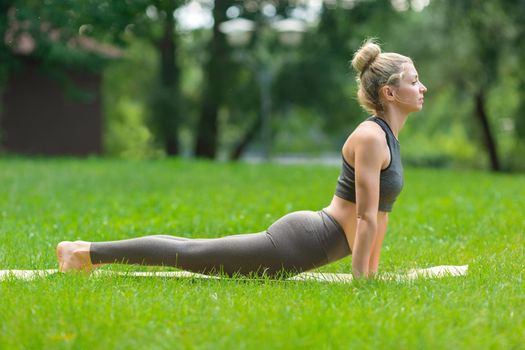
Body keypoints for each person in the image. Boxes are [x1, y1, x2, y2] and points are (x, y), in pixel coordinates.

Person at [56, 39, 427, 279]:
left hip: (313, 243)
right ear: (389, 91)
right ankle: (82, 253)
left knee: (195, 253)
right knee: (193, 253)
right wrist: (361, 284)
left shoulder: (389, 138)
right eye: (414, 81)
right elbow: (363, 218)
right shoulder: (370, 136)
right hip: (298, 243)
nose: (422, 87)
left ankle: (85, 253)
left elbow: (380, 217)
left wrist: (370, 277)